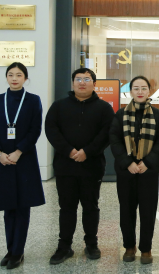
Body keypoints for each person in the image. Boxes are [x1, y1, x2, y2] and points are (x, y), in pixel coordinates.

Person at [45, 68, 115, 265]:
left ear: (94, 84)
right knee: (66, 207)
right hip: (65, 166)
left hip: (91, 166)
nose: (82, 82)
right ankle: (64, 246)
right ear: (73, 83)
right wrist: (69, 151)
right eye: (78, 79)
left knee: (90, 207)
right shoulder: (59, 106)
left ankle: (91, 244)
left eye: (86, 79)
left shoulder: (104, 108)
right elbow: (51, 130)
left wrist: (87, 152)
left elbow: (106, 134)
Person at [0, 62, 45, 270]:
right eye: (11, 74)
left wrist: (18, 152)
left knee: (22, 207)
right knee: (8, 207)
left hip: (24, 160)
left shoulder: (33, 100)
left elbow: (35, 131)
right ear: (6, 77)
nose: (14, 78)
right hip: (2, 161)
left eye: (19, 75)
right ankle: (10, 250)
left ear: (25, 78)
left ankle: (18, 251)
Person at [109, 76, 159, 264]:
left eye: (143, 88)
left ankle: (146, 248)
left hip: (148, 172)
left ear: (149, 91)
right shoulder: (120, 114)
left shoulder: (158, 115)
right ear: (131, 92)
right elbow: (114, 140)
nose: (140, 92)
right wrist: (128, 162)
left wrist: (148, 162)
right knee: (126, 211)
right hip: (126, 171)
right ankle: (129, 246)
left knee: (148, 212)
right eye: (136, 88)